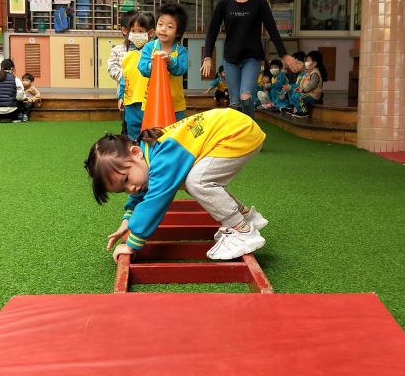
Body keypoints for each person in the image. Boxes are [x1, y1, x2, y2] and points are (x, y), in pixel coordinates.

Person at [85, 108, 268, 261]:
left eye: (126, 180)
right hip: (235, 128)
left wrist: (132, 244)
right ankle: (247, 217)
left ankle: (242, 232)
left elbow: (155, 201)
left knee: (197, 182)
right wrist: (127, 221)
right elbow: (141, 195)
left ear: (135, 152)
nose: (130, 189)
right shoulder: (149, 154)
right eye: (122, 190)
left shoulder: (162, 159)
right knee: (190, 180)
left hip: (236, 132)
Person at [202, 0, 302, 117]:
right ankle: (239, 131)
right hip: (231, 59)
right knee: (235, 102)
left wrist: (284, 55)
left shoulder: (259, 3)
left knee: (246, 97)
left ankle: (251, 127)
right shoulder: (224, 3)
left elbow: (272, 30)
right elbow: (212, 31)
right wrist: (207, 56)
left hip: (252, 58)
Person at [139, 2, 188, 120]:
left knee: (175, 130)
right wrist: (152, 65)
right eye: (160, 24)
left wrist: (170, 61)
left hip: (175, 105)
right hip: (152, 102)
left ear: (178, 32)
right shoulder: (149, 47)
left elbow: (182, 69)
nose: (163, 29)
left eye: (170, 26)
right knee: (151, 130)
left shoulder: (181, 50)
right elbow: (142, 67)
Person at [119, 11, 155, 140]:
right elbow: (124, 78)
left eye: (140, 31)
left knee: (149, 133)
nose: (136, 34)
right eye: (133, 31)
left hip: (147, 101)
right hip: (130, 102)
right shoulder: (128, 56)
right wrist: (121, 96)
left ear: (150, 33)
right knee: (132, 132)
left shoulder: (153, 54)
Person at [108, 11, 132, 134]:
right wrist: (127, 76)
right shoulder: (117, 50)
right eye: (133, 30)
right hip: (125, 96)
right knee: (126, 126)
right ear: (124, 30)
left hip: (143, 96)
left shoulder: (146, 49)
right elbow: (111, 68)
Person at [287, 50, 326, 118]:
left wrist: (303, 90)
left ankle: (304, 112)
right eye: (305, 61)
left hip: (313, 96)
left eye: (307, 61)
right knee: (294, 96)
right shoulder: (309, 72)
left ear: (314, 63)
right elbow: (304, 83)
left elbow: (311, 85)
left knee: (299, 97)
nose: (305, 63)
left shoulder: (315, 73)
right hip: (308, 93)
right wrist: (300, 88)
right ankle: (298, 110)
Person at [0, 58, 24, 123]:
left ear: (2, 67)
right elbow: (20, 96)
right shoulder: (16, 79)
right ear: (12, 68)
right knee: (20, 100)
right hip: (13, 112)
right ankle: (16, 118)